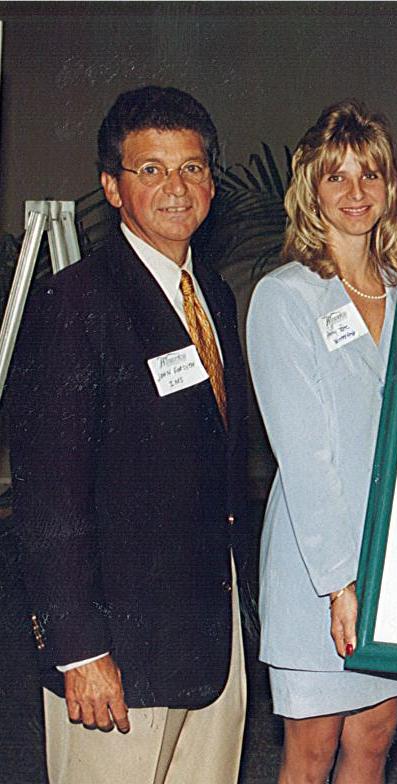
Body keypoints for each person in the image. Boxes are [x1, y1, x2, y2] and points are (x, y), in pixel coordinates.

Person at [8, 86, 248, 783]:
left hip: (209, 641)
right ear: (111, 187)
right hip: (117, 659)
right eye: (151, 170)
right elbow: (49, 498)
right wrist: (79, 652)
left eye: (193, 168)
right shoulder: (75, 302)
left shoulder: (216, 298)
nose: (176, 188)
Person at [246, 101, 397, 784]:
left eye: (369, 175)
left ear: (388, 187)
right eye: (336, 177)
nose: (355, 193)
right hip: (319, 567)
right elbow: (305, 453)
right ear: (310, 190)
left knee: (373, 741)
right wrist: (339, 581)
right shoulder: (285, 296)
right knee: (311, 752)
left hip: (391, 561)